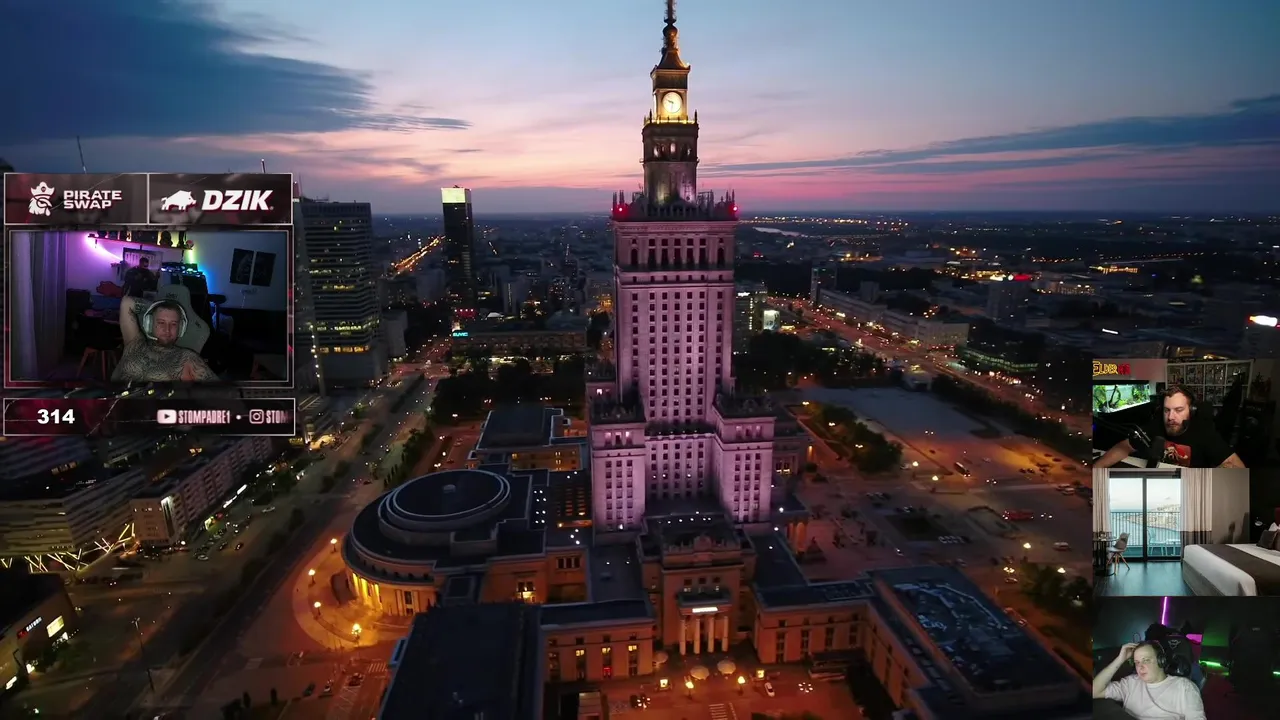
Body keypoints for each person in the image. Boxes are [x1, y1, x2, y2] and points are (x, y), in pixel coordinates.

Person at [1094, 386, 1245, 468]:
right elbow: (1123, 447)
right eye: (1167, 410)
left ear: (1191, 410)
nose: (1171, 417)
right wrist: (1096, 470)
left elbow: (1235, 465)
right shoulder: (1156, 425)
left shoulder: (1204, 431)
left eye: (1178, 410)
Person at [110, 294, 218, 383]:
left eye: (174, 324)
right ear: (149, 323)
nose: (167, 330)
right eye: (161, 322)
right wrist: (157, 308)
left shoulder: (187, 358)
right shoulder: (134, 342)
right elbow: (127, 302)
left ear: (181, 328)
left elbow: (220, 391)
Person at [1093, 641, 1206, 720]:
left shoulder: (1185, 688)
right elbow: (1094, 691)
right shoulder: (1130, 683)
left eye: (1146, 660)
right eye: (1137, 662)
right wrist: (1119, 659)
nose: (1140, 667)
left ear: (1161, 661)